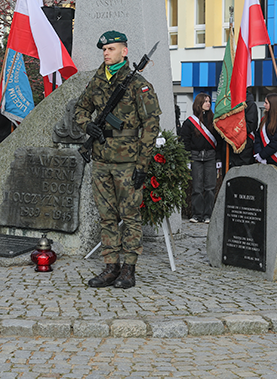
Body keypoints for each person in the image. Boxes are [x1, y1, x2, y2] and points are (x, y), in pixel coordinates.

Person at [74, 30, 161, 289]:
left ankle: (128, 269)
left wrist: (143, 164)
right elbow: (80, 109)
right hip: (101, 158)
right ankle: (110, 267)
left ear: (124, 51)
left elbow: (150, 125)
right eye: (104, 49)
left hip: (128, 161)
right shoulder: (97, 80)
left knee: (131, 216)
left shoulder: (138, 84)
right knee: (107, 216)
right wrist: (87, 126)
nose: (106, 53)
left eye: (111, 49)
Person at [180, 92, 220, 223]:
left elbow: (219, 141)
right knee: (197, 188)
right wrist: (187, 159)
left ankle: (208, 214)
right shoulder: (189, 122)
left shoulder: (214, 121)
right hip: (195, 157)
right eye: (205, 101)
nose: (208, 103)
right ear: (199, 104)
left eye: (209, 101)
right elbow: (184, 141)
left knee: (210, 188)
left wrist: (219, 159)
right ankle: (197, 214)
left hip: (210, 157)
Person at [254, 93, 277, 171]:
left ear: (273, 104)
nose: (264, 105)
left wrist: (263, 154)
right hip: (263, 159)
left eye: (266, 103)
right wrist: (259, 154)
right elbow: (258, 136)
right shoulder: (264, 119)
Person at [228, 92, 259, 168]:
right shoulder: (230, 104)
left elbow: (251, 126)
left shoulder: (250, 105)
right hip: (231, 145)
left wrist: (234, 129)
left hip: (245, 145)